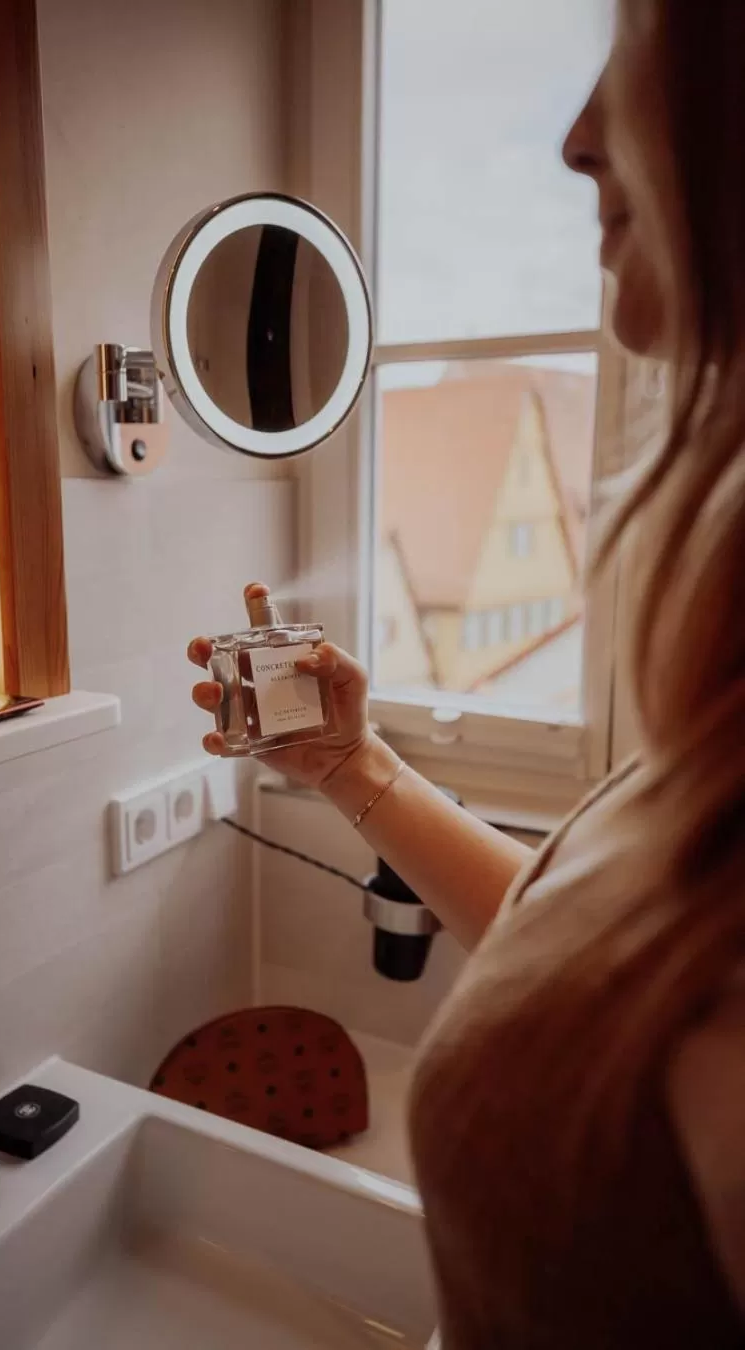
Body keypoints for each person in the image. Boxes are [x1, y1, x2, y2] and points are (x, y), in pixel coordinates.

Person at [190, 2, 745, 1343]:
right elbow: (587, 971)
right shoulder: (719, 714)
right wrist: (354, 768)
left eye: (655, 31)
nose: (575, 136)